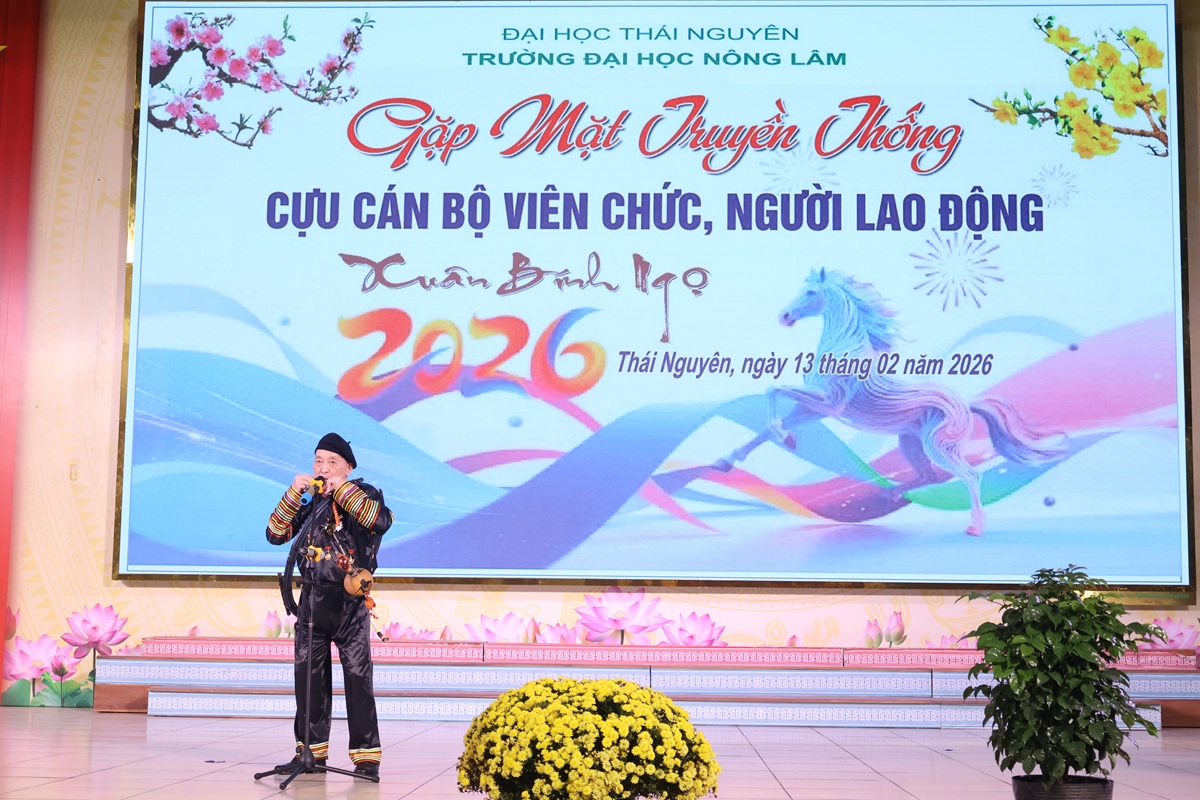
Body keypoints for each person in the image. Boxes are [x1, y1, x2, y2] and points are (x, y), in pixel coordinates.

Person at [265, 432, 393, 778]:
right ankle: (310, 752)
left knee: (358, 677)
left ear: (348, 468)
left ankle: (366, 757)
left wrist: (342, 490)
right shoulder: (311, 504)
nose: (323, 468)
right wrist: (293, 493)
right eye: (318, 461)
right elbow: (275, 534)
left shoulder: (364, 494)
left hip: (348, 602)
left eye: (332, 462)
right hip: (312, 601)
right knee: (308, 678)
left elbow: (380, 521)